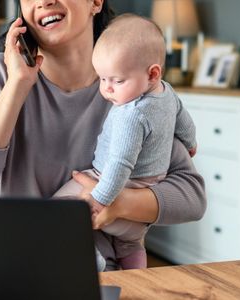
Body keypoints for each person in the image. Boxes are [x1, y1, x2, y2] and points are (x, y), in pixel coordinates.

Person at [0, 0, 205, 271]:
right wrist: (17, 84)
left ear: (95, 2)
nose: (44, 1)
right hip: (9, 269)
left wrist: (114, 204)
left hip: (97, 275)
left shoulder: (131, 85)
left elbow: (192, 196)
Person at [52, 14, 197, 270]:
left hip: (112, 183)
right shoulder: (167, 91)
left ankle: (91, 263)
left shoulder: (131, 115)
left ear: (152, 73)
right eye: (102, 78)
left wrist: (100, 199)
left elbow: (120, 163)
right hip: (149, 188)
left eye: (117, 81)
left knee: (57, 212)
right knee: (130, 245)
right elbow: (182, 118)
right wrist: (190, 142)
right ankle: (137, 280)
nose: (107, 89)